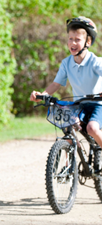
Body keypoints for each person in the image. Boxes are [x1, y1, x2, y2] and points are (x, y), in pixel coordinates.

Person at [30, 16, 102, 154]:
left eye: (77, 39)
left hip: (98, 104)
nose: (72, 43)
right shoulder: (66, 63)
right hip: (79, 104)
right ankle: (72, 166)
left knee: (92, 128)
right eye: (70, 39)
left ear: (88, 42)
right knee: (67, 126)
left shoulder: (96, 62)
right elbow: (56, 84)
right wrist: (42, 95)